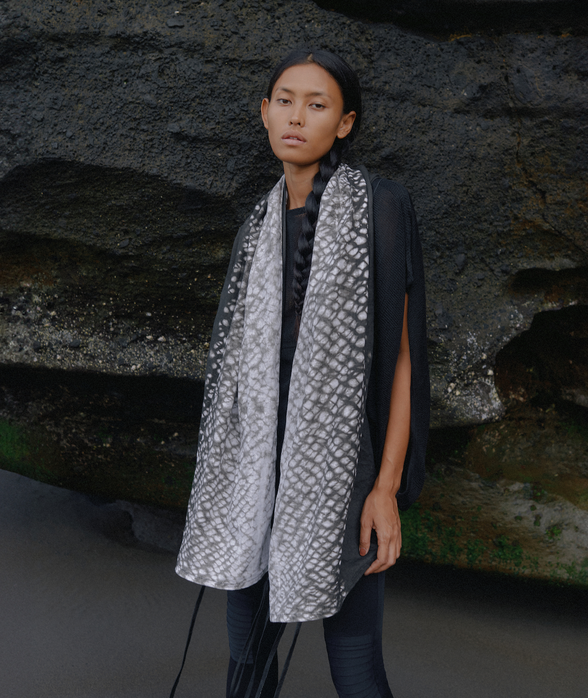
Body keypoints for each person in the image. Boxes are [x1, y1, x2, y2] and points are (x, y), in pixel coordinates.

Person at [174, 49, 430, 698]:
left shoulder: (381, 208)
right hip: (253, 475)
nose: (297, 117)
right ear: (264, 113)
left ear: (344, 123)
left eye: (317, 105)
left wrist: (386, 491)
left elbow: (402, 359)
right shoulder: (255, 227)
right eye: (285, 101)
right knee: (246, 663)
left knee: (356, 667)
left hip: (342, 475)